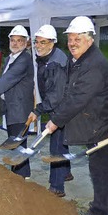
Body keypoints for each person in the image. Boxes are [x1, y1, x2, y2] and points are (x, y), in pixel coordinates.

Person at [44, 16, 108, 215]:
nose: (72, 43)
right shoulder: (81, 60)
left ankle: (100, 211)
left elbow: (78, 98)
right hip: (101, 116)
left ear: (90, 39)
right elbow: (70, 91)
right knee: (104, 161)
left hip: (105, 120)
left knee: (98, 164)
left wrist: (55, 121)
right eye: (70, 39)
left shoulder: (94, 64)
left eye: (77, 39)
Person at [0, 25, 34, 178]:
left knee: (18, 143)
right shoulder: (10, 58)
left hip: (19, 108)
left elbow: (8, 78)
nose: (15, 43)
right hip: (11, 107)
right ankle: (21, 173)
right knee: (15, 141)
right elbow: (4, 78)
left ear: (26, 42)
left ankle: (20, 176)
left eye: (19, 40)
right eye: (13, 40)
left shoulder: (24, 59)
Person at [27, 24, 71, 197]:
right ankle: (66, 172)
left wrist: (38, 110)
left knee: (57, 146)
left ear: (52, 43)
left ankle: (57, 187)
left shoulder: (56, 64)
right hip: (59, 106)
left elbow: (56, 95)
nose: (38, 45)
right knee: (62, 142)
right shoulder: (46, 57)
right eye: (36, 42)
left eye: (43, 42)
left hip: (60, 109)